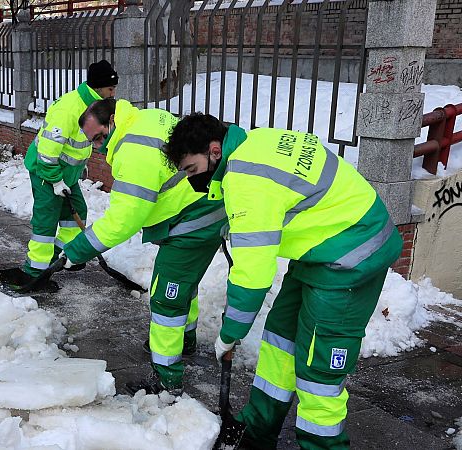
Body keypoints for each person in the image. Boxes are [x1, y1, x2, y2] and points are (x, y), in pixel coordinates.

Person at [163, 113, 403, 449]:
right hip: (321, 245)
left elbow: (253, 273)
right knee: (280, 337)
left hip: (353, 253)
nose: (192, 180)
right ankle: (259, 428)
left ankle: (323, 445)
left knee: (317, 368)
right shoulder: (255, 142)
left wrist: (230, 333)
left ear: (214, 150)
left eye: (192, 169)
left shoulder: (244, 179)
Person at [60, 99, 227, 395]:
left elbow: (123, 220)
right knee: (182, 282)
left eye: (99, 137)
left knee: (166, 296)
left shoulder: (132, 151)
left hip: (195, 216)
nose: (98, 147)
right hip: (205, 206)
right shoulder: (146, 118)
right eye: (92, 142)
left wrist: (75, 251)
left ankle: (167, 378)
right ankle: (185, 339)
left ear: (112, 120)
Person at [21, 60, 119, 281]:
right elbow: (47, 152)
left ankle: (58, 258)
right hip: (46, 171)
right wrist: (55, 181)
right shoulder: (69, 108)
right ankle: (35, 269)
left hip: (68, 175)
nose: (113, 94)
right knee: (46, 219)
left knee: (74, 215)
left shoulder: (97, 108)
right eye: (110, 89)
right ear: (98, 87)